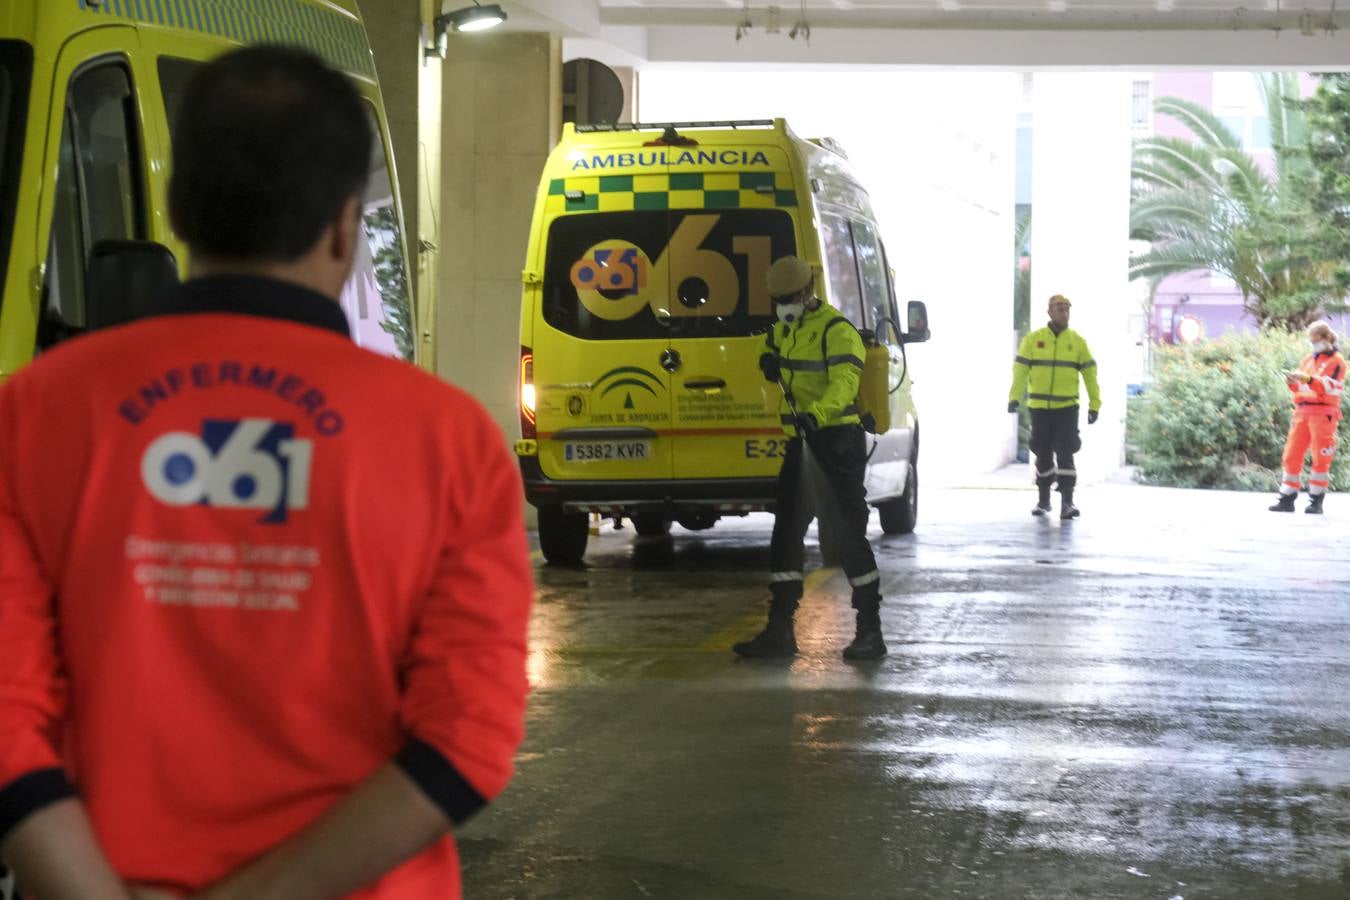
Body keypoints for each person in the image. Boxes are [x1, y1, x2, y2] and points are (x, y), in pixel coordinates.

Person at [0, 47, 532, 899]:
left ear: (176, 209)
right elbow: (467, 739)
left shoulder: (32, 414)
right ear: (345, 226)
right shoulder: (449, 442)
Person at [733, 256, 885, 661]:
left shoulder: (838, 332)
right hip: (800, 445)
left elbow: (844, 385)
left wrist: (816, 415)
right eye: (777, 299)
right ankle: (779, 629)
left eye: (789, 297)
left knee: (848, 536)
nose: (783, 305)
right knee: (786, 533)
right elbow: (767, 348)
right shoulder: (786, 330)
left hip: (836, 444)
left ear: (807, 291)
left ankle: (870, 630)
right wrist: (765, 359)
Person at [1007, 294, 1101, 520]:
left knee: (1066, 454)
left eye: (1067, 309)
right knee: (1042, 453)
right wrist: (1014, 397)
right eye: (1059, 308)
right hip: (1039, 408)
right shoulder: (1033, 340)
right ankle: (1044, 499)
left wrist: (1095, 404)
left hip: (1067, 409)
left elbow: (1090, 374)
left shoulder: (1077, 342)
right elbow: (1020, 370)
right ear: (1049, 312)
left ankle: (1068, 502)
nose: (1064, 312)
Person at [1269, 320, 1345, 514]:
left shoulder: (1337, 361)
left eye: (1316, 340)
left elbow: (1330, 387)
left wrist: (1308, 380)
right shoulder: (1307, 360)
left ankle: (1316, 501)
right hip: (1302, 412)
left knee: (1321, 457)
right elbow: (1300, 387)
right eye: (1311, 341)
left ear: (1327, 338)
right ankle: (1287, 497)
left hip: (1323, 414)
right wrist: (1293, 382)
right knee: (1291, 454)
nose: (1314, 344)